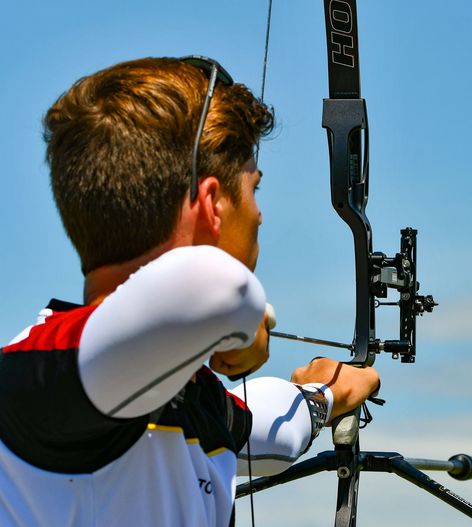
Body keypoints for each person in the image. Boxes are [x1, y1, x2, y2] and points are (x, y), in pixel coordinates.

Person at [0, 56, 380, 527]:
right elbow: (216, 291)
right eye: (254, 188)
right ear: (211, 204)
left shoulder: (173, 391)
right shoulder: (52, 367)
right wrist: (249, 324)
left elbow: (264, 429)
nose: (259, 214)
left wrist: (326, 392)